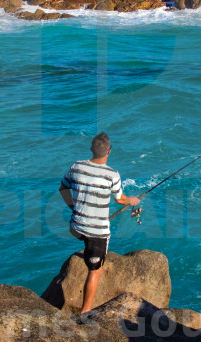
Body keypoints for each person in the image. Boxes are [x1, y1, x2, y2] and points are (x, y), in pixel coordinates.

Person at [59, 132, 140, 315]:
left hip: (75, 228)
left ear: (91, 149)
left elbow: (63, 187)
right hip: (96, 232)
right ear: (108, 152)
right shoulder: (112, 174)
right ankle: (85, 312)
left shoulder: (76, 166)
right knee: (95, 271)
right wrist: (132, 200)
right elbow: (120, 199)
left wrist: (73, 206)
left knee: (88, 236)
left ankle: (88, 248)